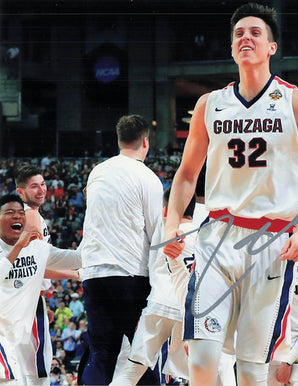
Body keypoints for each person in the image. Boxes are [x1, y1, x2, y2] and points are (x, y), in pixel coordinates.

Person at [163, 3, 298, 385]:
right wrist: (170, 225)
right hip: (216, 236)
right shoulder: (208, 105)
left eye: (255, 33)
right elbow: (185, 175)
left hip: (272, 242)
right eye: (239, 33)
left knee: (251, 369)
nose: (246, 38)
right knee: (202, 356)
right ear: (231, 48)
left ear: (271, 47)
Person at [80, 114, 164, 384]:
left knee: (101, 353)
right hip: (130, 275)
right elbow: (156, 233)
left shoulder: (97, 172)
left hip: (93, 273)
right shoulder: (147, 177)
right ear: (145, 142)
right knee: (143, 354)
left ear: (118, 140)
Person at [110, 188, 195, 385]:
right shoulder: (203, 232)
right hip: (187, 311)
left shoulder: (162, 225)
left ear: (166, 210)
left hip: (158, 303)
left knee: (131, 371)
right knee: (196, 376)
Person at [0, 194, 81, 385]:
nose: (17, 216)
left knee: (34, 378)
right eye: (10, 212)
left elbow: (76, 258)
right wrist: (18, 247)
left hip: (22, 334)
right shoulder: (17, 247)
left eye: (21, 213)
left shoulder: (36, 248)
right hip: (2, 336)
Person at [15, 164, 79, 386]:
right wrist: (79, 267)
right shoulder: (29, 216)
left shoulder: (28, 215)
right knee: (38, 368)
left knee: (24, 366)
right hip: (25, 299)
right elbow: (39, 263)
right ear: (20, 192)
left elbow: (38, 263)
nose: (41, 190)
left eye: (43, 184)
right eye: (34, 186)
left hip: (27, 298)